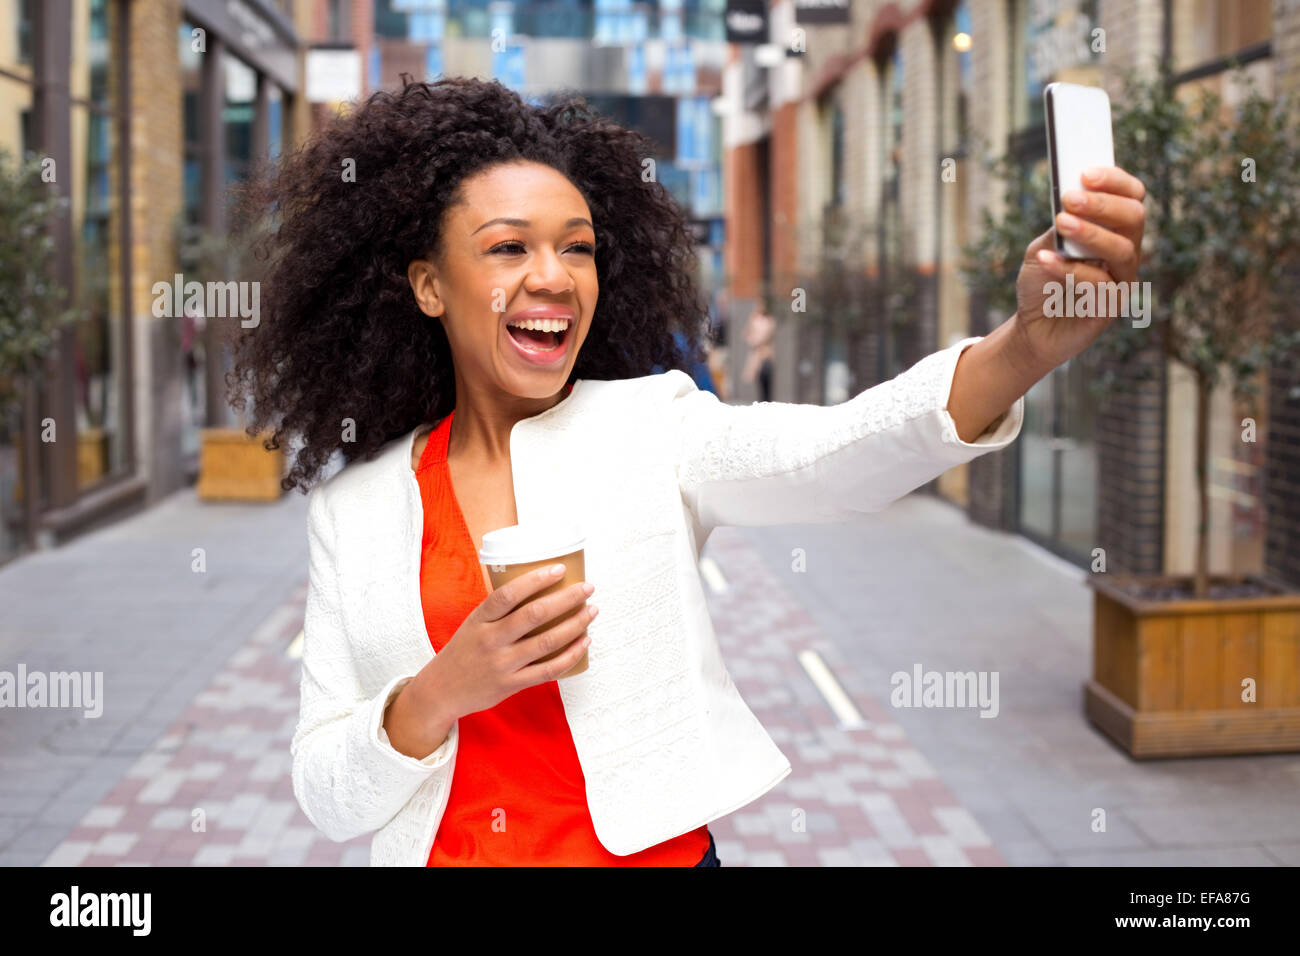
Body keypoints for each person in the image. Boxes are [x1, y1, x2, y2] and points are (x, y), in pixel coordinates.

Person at [227, 76, 1146, 866]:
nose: (553, 275)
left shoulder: (652, 428)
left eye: (577, 246)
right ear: (429, 285)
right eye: (509, 246)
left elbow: (838, 453)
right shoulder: (355, 510)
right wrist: (440, 692)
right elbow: (325, 789)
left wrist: (1025, 346)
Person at [742, 301, 776, 402]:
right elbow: (747, 334)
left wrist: (758, 340)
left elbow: (768, 335)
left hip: (765, 353)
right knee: (759, 379)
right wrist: (753, 340)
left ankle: (766, 400)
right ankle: (762, 401)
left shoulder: (769, 321)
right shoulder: (754, 320)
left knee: (766, 377)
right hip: (757, 354)